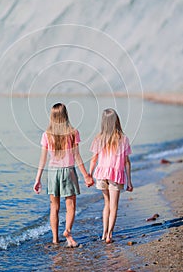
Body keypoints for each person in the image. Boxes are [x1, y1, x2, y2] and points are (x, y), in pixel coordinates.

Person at [33, 103, 94, 247]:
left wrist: (38, 179)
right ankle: (67, 231)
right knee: (70, 205)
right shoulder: (73, 133)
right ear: (66, 115)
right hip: (69, 171)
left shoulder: (46, 135)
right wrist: (86, 175)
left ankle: (55, 239)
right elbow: (77, 156)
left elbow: (43, 159)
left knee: (54, 207)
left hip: (53, 173)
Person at [89, 108, 133, 243]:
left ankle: (103, 233)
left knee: (106, 204)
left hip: (101, 174)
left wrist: (89, 175)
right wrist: (129, 181)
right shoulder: (123, 139)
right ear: (116, 121)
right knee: (114, 206)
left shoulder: (98, 138)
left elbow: (93, 159)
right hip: (115, 175)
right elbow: (126, 162)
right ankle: (109, 235)